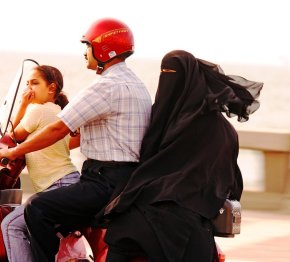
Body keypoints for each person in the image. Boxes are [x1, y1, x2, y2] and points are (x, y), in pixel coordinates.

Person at [0, 18, 152, 261]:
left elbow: (58, 128)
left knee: (37, 207)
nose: (85, 53)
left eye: (88, 46)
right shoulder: (137, 85)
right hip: (127, 180)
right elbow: (75, 136)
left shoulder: (106, 86)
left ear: (103, 48)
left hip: (103, 182)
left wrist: (12, 153)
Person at [102, 50, 263, 261]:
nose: (168, 81)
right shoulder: (224, 130)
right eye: (164, 73)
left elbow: (145, 162)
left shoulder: (165, 119)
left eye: (171, 74)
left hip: (147, 220)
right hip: (194, 223)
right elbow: (231, 183)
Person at [1, 65, 81, 262]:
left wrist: (22, 105)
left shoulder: (37, 110)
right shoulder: (59, 112)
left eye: (35, 83)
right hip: (69, 182)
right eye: (27, 84)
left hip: (56, 185)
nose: (29, 88)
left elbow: (14, 135)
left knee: (10, 225)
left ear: (51, 88)